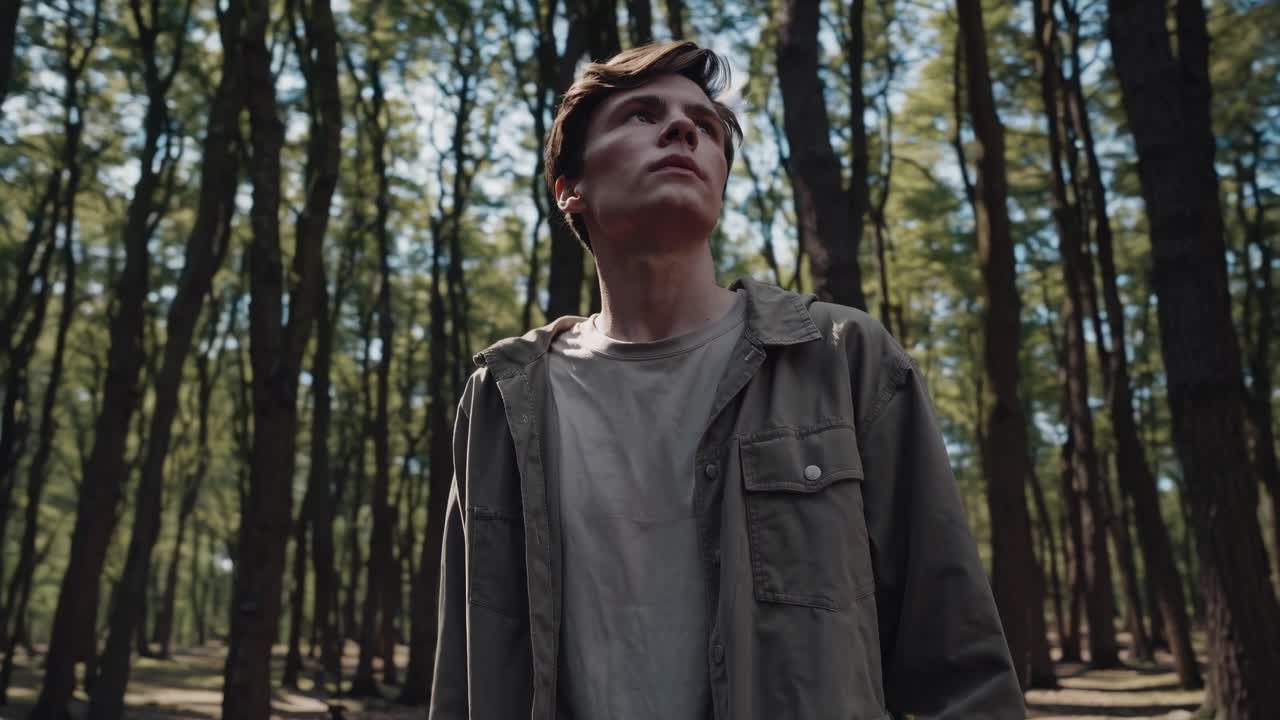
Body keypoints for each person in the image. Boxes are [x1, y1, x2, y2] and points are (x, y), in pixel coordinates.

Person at [428, 40, 1024, 720]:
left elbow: (959, 664)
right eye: (642, 115)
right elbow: (466, 677)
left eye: (705, 126)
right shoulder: (503, 400)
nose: (682, 130)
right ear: (570, 189)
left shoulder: (841, 358)